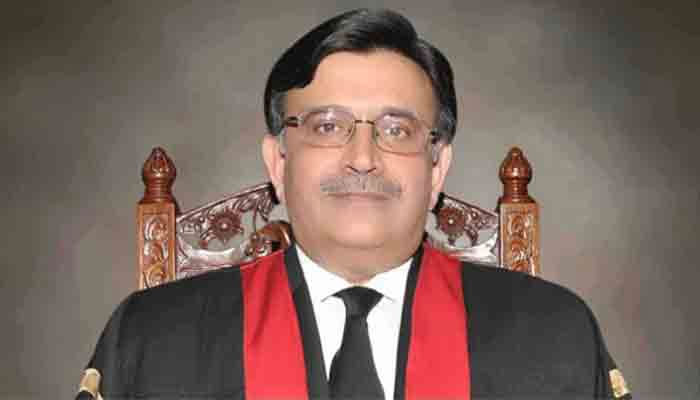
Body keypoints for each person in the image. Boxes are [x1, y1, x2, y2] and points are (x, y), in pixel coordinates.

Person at [77, 8, 631, 400]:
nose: (362, 158)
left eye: (396, 129)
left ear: (437, 168)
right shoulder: (153, 339)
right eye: (327, 126)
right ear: (278, 161)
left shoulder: (555, 336)